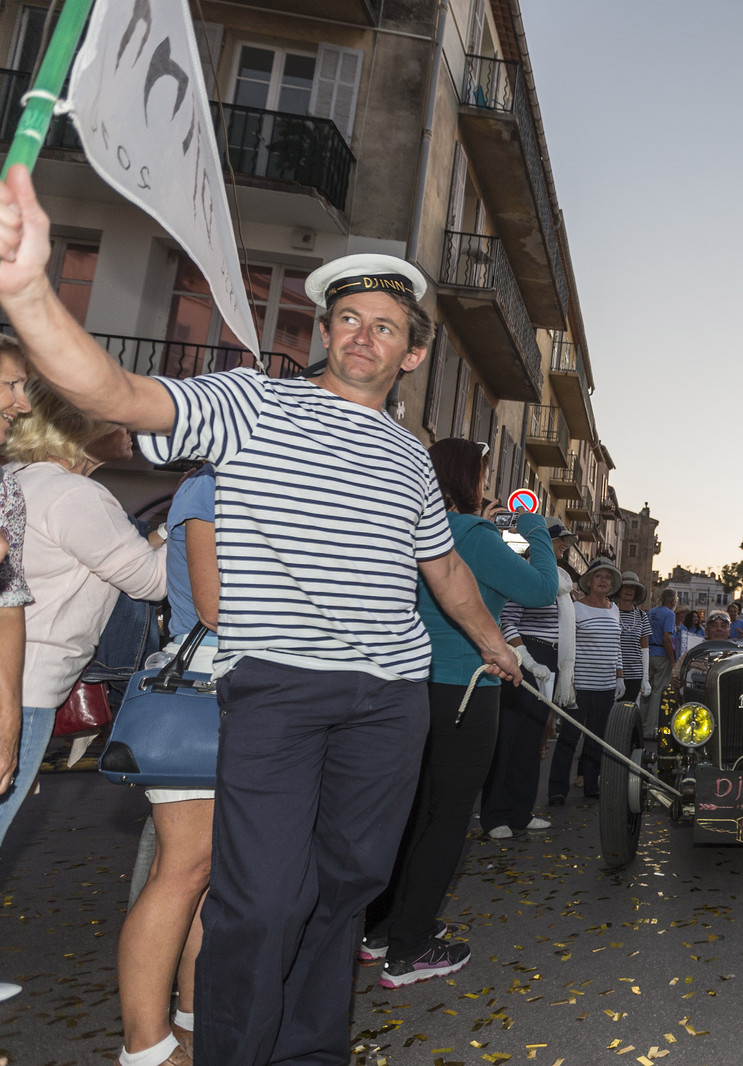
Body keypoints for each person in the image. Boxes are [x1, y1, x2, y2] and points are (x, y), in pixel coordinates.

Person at [0, 169, 523, 1064]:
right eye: (349, 319)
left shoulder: (409, 458)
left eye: (385, 326)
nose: (363, 335)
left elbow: (439, 566)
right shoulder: (252, 404)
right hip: (276, 687)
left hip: (391, 697)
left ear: (411, 355)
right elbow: (123, 396)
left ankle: (309, 1052)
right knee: (262, 897)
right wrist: (29, 294)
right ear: (325, 331)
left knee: (347, 886)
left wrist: (491, 642)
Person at [363, 438, 557, 988]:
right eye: (486, 473)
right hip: (464, 688)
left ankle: (382, 930)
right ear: (471, 478)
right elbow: (541, 588)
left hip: (404, 684)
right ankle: (411, 949)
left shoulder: (409, 523)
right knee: (446, 819)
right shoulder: (470, 534)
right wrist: (533, 527)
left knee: (408, 813)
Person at [0, 378, 167, 849]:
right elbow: (152, 580)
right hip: (25, 686)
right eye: (115, 415)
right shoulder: (75, 495)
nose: (129, 425)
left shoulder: (19, 479)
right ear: (79, 426)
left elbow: (115, 562)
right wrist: (184, 527)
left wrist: (154, 538)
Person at [116, 462, 217, 1066]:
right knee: (182, 872)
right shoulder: (212, 484)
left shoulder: (210, 484)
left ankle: (187, 1018)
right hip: (202, 688)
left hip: (226, 691)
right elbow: (214, 606)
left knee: (205, 875)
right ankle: (145, 1045)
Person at [480, 521, 578, 839]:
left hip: (547, 661)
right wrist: (528, 659)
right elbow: (506, 620)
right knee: (507, 739)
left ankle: (521, 812)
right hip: (522, 656)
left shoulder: (559, 581)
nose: (565, 545)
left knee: (531, 741)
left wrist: (556, 668)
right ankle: (495, 816)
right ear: (541, 542)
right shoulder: (525, 572)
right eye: (560, 540)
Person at [0, 336, 30, 1007]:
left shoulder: (8, 480)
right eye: (6, 385)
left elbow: (9, 601)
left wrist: (6, 707)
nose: (19, 404)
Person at [547, 558, 625, 806]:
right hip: (579, 685)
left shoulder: (614, 609)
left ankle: (591, 784)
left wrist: (619, 675)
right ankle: (557, 790)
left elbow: (617, 645)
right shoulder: (575, 608)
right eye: (599, 577)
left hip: (605, 686)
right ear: (589, 581)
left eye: (608, 578)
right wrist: (565, 679)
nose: (604, 581)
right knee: (569, 737)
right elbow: (566, 644)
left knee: (597, 739)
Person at [615, 571, 651, 703]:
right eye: (625, 586)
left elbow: (645, 649)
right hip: (611, 674)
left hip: (635, 675)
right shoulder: (610, 612)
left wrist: (645, 679)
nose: (629, 590)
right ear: (619, 589)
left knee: (627, 715)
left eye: (633, 587)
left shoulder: (642, 616)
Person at [646, 589, 678, 727]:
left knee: (646, 691)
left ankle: (641, 724)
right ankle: (652, 727)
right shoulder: (669, 614)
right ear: (672, 601)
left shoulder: (651, 612)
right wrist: (672, 661)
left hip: (649, 653)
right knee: (658, 692)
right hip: (661, 654)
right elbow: (666, 638)